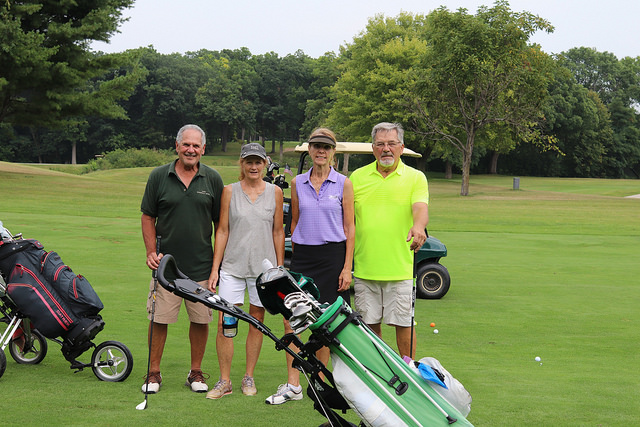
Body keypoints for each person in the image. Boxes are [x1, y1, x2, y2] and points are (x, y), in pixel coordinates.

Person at [265, 128, 355, 405]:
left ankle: (321, 384)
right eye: (316, 146)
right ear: (310, 150)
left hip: (332, 257)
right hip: (303, 256)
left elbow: (350, 227)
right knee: (292, 318)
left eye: (326, 147)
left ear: (333, 153)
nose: (321, 151)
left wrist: (347, 267)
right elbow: (295, 223)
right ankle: (293, 384)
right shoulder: (299, 182)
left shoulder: (344, 183)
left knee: (325, 323)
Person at [140, 124, 224, 394]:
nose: (191, 150)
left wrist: (216, 268)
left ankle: (195, 372)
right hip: (167, 267)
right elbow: (147, 216)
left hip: (201, 266)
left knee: (201, 320)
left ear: (203, 149)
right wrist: (151, 252)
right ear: (177, 146)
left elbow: (221, 226)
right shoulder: (158, 176)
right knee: (159, 319)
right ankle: (153, 373)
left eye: (196, 145)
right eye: (186, 144)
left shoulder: (212, 179)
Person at [206, 142, 285, 400]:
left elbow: (277, 232)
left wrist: (279, 268)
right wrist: (215, 269)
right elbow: (223, 230)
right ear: (241, 164)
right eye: (249, 162)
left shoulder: (275, 192)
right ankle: (225, 380)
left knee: (256, 321)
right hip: (232, 267)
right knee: (226, 321)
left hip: (263, 271)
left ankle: (248, 376)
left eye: (258, 162)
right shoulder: (229, 191)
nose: (253, 166)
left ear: (265, 164)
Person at [350, 122, 429, 359]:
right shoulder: (357, 177)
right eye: (381, 144)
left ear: (401, 147)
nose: (386, 149)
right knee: (368, 324)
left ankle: (408, 374)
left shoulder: (416, 178)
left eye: (392, 144)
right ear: (373, 148)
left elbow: (420, 208)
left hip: (400, 268)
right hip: (365, 267)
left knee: (404, 323)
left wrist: (418, 227)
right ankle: (381, 373)